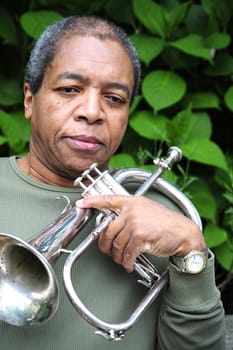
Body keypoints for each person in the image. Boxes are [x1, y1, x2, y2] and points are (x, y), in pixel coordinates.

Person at [0, 15, 225, 349]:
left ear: (127, 116)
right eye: (69, 89)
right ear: (30, 100)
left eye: (115, 99)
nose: (92, 111)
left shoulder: (163, 219)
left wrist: (190, 252)